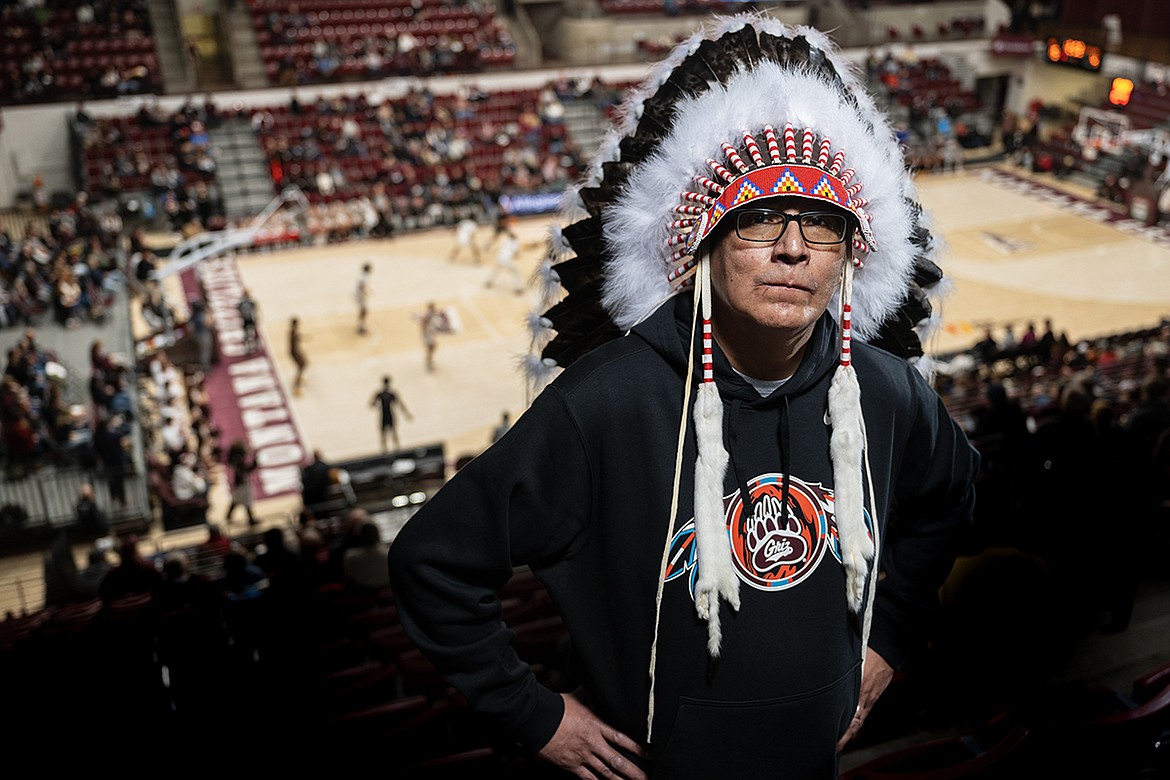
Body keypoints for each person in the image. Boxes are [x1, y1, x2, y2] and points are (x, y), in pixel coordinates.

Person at [388, 18, 978, 778]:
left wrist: (890, 635)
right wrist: (535, 716)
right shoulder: (604, 404)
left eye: (824, 226)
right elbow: (433, 562)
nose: (793, 248)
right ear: (703, 243)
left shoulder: (888, 390)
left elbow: (953, 495)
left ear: (849, 258)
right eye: (761, 216)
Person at [371, 375, 412, 452]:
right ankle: (394, 448)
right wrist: (407, 414)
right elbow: (400, 405)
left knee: (386, 433)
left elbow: (372, 404)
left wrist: (407, 414)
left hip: (385, 414)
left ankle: (387, 449)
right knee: (390, 432)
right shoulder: (391, 394)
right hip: (389, 414)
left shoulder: (380, 394)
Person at [224, 439, 257, 526]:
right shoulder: (238, 460)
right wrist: (255, 463)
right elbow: (247, 470)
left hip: (239, 484)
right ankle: (251, 520)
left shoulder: (236, 459)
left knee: (236, 501)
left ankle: (228, 516)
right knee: (246, 502)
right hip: (241, 484)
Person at [289, 317, 307, 394]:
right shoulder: (293, 332)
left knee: (303, 364)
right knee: (302, 365)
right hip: (294, 352)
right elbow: (294, 343)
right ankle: (297, 387)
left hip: (295, 352)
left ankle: (298, 377)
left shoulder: (293, 332)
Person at [355, 262, 372, 335]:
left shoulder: (361, 274)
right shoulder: (365, 276)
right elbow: (361, 286)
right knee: (364, 311)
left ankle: (360, 325)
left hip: (357, 294)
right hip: (360, 295)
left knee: (363, 311)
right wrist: (365, 292)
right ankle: (361, 327)